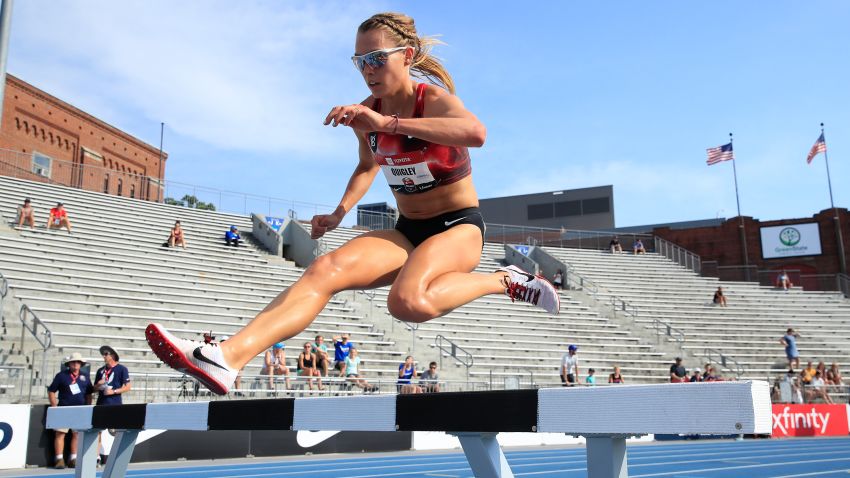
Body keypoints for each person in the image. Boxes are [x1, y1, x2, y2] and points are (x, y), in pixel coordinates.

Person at [144, 12, 559, 396]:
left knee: (406, 302)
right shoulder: (366, 115)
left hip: (458, 228)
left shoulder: (428, 100)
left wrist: (387, 123)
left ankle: (504, 281)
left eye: (377, 58)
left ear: (406, 56)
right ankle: (227, 359)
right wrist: (340, 211)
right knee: (324, 269)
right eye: (359, 61)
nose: (368, 70)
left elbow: (476, 132)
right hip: (407, 230)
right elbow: (367, 167)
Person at [47, 353, 93, 469]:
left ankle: (73, 458)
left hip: (80, 410)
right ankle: (59, 459)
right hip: (64, 409)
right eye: (73, 362)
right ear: (69, 364)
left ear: (81, 364)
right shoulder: (61, 376)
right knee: (60, 433)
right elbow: (51, 390)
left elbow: (88, 393)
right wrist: (54, 405)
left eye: (78, 362)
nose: (76, 364)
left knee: (77, 434)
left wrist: (88, 407)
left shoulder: (85, 376)